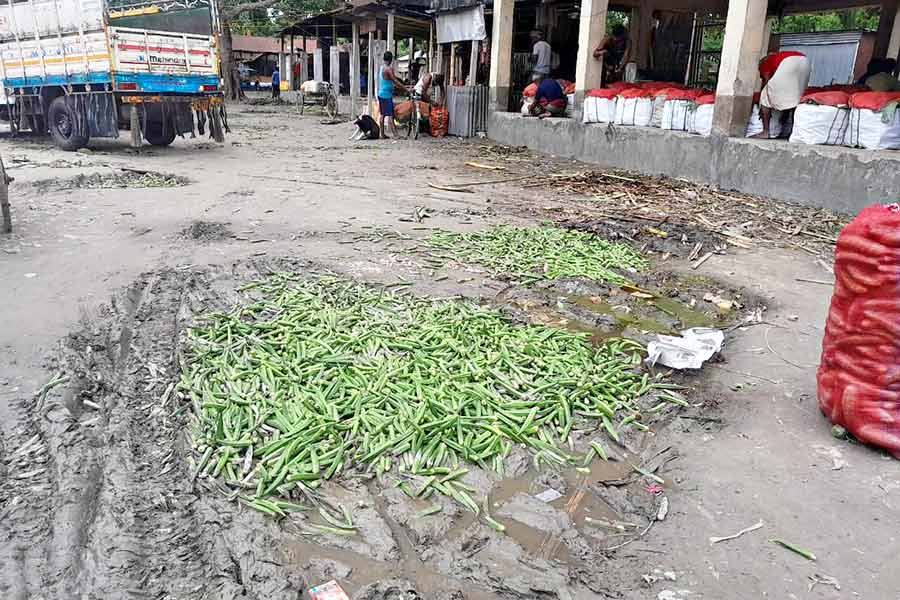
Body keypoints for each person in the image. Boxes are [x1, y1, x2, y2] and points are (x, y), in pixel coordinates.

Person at [754, 50, 811, 139]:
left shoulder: (765, 62)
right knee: (795, 99)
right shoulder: (779, 57)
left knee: (764, 95)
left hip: (789, 63)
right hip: (805, 61)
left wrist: (763, 96)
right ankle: (793, 132)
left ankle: (765, 132)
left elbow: (766, 79)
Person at [377, 51, 406, 139]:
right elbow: (394, 80)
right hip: (387, 95)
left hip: (381, 93)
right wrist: (405, 88)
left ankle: (382, 134)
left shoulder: (382, 68)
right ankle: (396, 135)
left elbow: (390, 79)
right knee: (390, 115)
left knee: (382, 114)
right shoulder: (389, 69)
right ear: (391, 59)